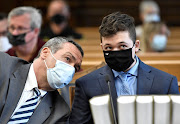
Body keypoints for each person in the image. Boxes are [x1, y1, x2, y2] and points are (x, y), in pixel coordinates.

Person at [69, 12, 179, 124]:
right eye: (109, 47)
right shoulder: (86, 84)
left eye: (122, 46)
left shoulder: (166, 82)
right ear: (102, 47)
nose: (116, 52)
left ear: (136, 46)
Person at [0, 36, 83, 124]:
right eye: (67, 59)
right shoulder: (3, 65)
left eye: (76, 68)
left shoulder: (60, 112)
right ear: (45, 53)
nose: (71, 69)